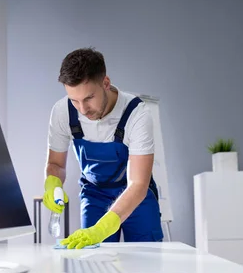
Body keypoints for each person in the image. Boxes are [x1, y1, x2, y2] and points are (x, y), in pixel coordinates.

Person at [43, 47, 163, 249]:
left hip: (136, 195)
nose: (82, 109)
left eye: (88, 98)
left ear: (105, 83)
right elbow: (55, 163)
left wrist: (104, 228)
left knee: (146, 260)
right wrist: (52, 183)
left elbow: (138, 183)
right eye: (74, 100)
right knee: (94, 262)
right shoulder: (62, 112)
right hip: (94, 195)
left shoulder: (136, 113)